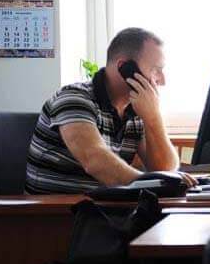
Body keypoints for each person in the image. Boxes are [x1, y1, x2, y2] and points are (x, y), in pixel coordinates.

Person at [25, 27, 197, 194]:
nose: (162, 81)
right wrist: (150, 183)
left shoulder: (137, 109)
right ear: (124, 68)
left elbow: (165, 169)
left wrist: (153, 117)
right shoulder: (74, 98)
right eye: (155, 70)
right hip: (54, 209)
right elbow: (95, 161)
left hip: (104, 207)